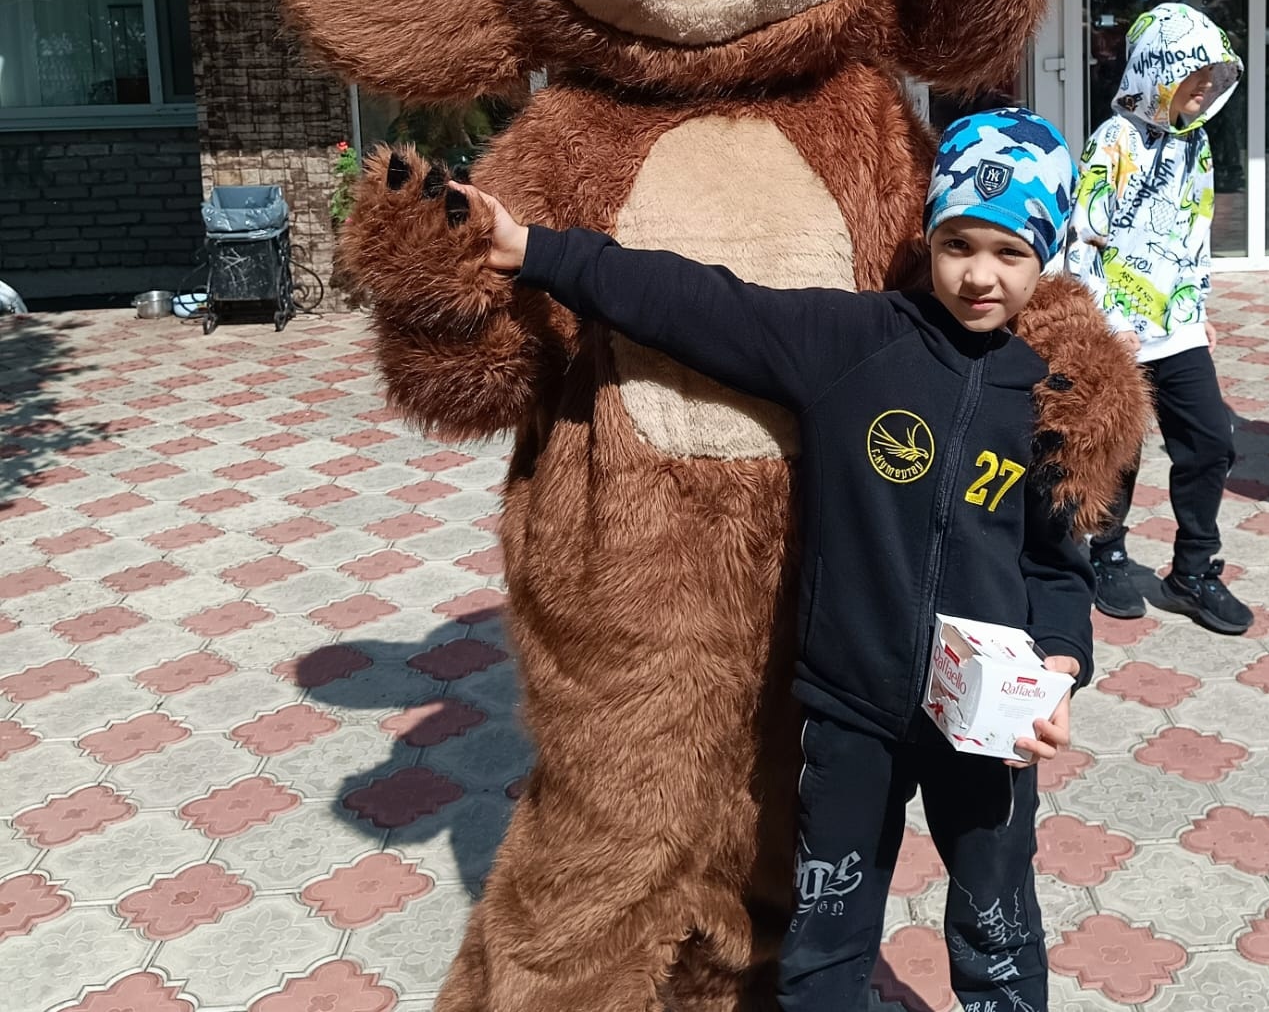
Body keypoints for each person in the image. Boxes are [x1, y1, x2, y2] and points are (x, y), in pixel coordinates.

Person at [452, 108, 1093, 1012]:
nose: (979, 274)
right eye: (958, 243)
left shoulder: (1051, 394)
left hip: (985, 723)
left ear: (1045, 254)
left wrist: (1058, 665)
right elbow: (700, 302)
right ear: (929, 236)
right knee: (826, 940)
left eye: (1009, 252)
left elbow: (1058, 561)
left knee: (998, 922)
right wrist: (537, 251)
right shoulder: (854, 342)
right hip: (851, 711)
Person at [1067, 0, 1254, 635]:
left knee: (1211, 442)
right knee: (1120, 447)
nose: (1204, 91)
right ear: (1157, 71)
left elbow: (1195, 232)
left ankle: (1193, 571)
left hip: (1176, 330)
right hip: (1116, 330)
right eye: (1193, 77)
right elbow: (1084, 238)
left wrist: (1196, 308)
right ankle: (1107, 553)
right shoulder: (1112, 142)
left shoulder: (1196, 144)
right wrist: (1104, 320)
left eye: (1212, 81)